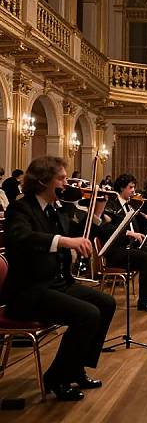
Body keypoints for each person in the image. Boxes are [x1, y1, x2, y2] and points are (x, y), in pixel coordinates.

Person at [2, 156, 116, 401]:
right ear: (44, 181)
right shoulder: (20, 208)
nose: (67, 183)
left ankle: (75, 368)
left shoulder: (58, 209)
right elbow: (20, 237)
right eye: (62, 178)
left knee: (106, 303)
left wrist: (98, 211)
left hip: (57, 284)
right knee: (88, 314)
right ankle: (57, 377)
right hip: (29, 291)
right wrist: (63, 241)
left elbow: (80, 231)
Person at [102, 173, 147, 312]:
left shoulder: (129, 204)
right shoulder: (112, 204)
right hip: (117, 250)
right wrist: (129, 233)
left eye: (134, 187)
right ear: (122, 188)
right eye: (131, 187)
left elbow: (134, 223)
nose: (134, 191)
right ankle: (144, 301)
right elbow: (107, 228)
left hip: (131, 244)